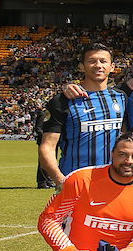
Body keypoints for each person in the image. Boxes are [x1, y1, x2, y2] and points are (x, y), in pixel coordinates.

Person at [39, 42, 126, 189]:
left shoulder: (121, 97)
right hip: (75, 182)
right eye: (92, 61)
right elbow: (47, 146)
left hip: (113, 182)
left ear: (112, 67)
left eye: (103, 61)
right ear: (81, 66)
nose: (98, 65)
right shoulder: (62, 101)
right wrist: (61, 181)